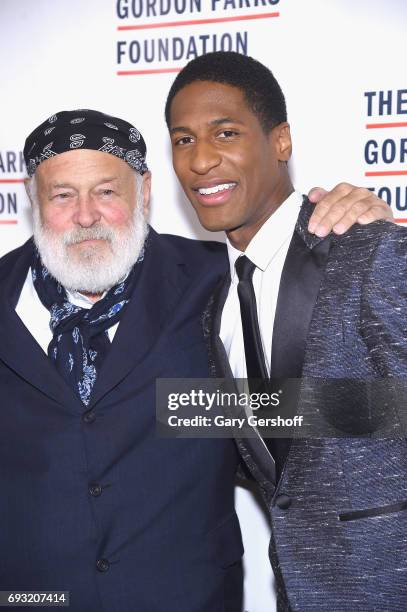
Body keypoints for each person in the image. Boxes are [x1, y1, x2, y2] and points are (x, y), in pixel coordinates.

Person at [0, 107, 389, 611]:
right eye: (62, 195)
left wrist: (362, 234)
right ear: (32, 199)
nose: (86, 215)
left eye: (106, 191)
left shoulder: (218, 281)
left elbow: (314, 412)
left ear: (144, 191)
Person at [165, 51, 407, 611]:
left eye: (225, 133)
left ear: (280, 142)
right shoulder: (211, 302)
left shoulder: (368, 251)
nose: (201, 160)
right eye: (182, 140)